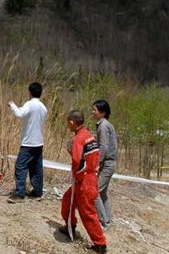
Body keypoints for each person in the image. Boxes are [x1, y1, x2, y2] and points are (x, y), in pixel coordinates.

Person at [60, 110, 107, 253]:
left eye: (68, 123)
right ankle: (70, 227)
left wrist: (79, 179)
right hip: (91, 177)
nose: (67, 125)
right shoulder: (89, 136)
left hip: (84, 182)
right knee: (67, 200)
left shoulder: (78, 139)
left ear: (72, 123)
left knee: (87, 213)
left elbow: (78, 162)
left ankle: (100, 244)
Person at [7, 82, 48, 203]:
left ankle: (20, 194)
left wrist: (12, 105)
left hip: (28, 143)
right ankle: (37, 192)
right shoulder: (43, 107)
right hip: (39, 142)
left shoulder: (29, 104)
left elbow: (20, 114)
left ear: (29, 92)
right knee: (36, 168)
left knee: (20, 166)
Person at [92, 99, 117, 228]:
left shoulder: (103, 125)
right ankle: (108, 219)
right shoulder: (105, 125)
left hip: (107, 164)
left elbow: (104, 146)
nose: (93, 112)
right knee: (102, 192)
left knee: (94, 192)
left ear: (103, 112)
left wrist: (97, 162)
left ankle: (102, 221)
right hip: (109, 164)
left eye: (95, 110)